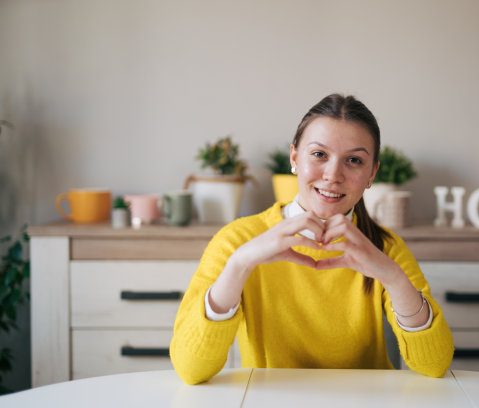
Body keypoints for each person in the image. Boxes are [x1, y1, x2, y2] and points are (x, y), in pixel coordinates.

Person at [170, 94, 454, 384]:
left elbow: (435, 364)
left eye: (354, 160)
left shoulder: (386, 248)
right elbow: (190, 370)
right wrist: (240, 265)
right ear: (294, 158)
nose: (333, 175)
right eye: (319, 155)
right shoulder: (236, 241)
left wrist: (393, 277)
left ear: (371, 174)